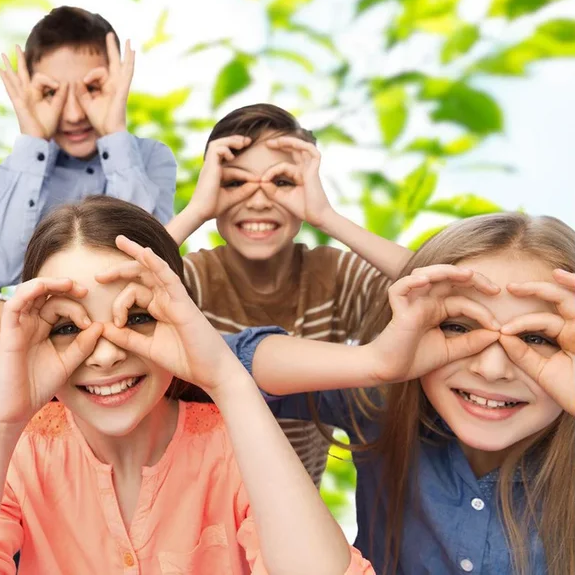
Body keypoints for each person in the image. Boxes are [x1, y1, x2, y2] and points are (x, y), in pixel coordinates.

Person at [0, 196, 374, 574]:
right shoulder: (25, 452)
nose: (107, 353)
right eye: (68, 327)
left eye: (137, 317)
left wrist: (228, 379)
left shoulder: (232, 445)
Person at [231, 213, 575, 574]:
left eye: (537, 338)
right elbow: (209, 365)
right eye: (457, 326)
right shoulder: (382, 400)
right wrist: (373, 362)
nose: (491, 369)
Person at [166, 103, 411, 485]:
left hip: (297, 503)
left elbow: (444, 286)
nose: (259, 200)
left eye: (281, 182)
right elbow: (111, 289)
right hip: (198, 500)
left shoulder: (334, 276)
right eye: (234, 182)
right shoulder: (193, 278)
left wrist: (327, 217)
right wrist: (195, 210)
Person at [0, 6, 178, 290]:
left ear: (118, 83)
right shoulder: (24, 167)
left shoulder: (152, 157)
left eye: (92, 88)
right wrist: (32, 137)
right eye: (51, 93)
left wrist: (113, 132)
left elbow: (142, 263)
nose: (73, 114)